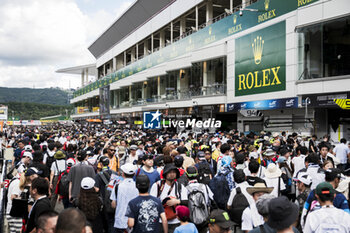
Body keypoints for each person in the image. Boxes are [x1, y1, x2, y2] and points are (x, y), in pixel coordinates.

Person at [150, 164, 188, 232]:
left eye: (174, 172)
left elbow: (187, 202)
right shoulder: (157, 185)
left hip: (176, 222)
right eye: (169, 172)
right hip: (160, 221)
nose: (172, 174)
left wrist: (177, 201)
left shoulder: (180, 187)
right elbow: (151, 203)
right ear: (165, 174)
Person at [110, 163, 139, 233]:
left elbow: (113, 205)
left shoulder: (117, 186)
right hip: (134, 221)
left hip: (120, 221)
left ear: (123, 174)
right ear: (134, 174)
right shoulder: (138, 187)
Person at [94, 156, 114, 233]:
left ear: (101, 164)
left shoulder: (98, 175)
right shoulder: (114, 173)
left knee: (104, 220)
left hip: (103, 201)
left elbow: (97, 189)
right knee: (111, 221)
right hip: (112, 200)